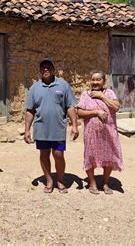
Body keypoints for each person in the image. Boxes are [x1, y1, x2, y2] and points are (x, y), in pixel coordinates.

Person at [24, 59, 79, 194]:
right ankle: (49, 180)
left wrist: (74, 125)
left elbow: (70, 106)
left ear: (54, 70)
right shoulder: (34, 88)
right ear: (40, 70)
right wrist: (26, 130)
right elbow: (30, 110)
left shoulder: (63, 85)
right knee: (44, 154)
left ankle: (60, 180)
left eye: (49, 67)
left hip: (58, 128)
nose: (46, 69)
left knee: (59, 154)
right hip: (41, 128)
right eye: (43, 67)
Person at [76, 70, 123, 195]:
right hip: (92, 133)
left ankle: (105, 182)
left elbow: (116, 107)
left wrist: (101, 96)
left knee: (110, 155)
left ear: (104, 81)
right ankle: (92, 183)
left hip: (109, 131)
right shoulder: (86, 95)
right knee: (90, 155)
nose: (95, 82)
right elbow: (79, 113)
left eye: (98, 80)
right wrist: (96, 112)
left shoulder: (109, 93)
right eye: (93, 79)